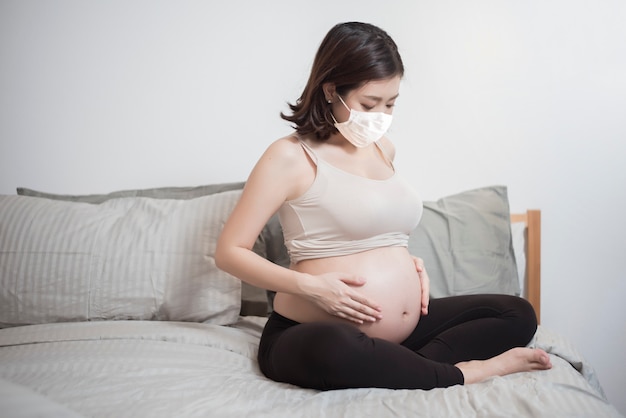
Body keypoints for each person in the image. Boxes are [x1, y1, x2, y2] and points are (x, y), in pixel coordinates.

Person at [215, 21, 552, 391]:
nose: (381, 116)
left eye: (390, 103)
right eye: (369, 104)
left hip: (401, 331)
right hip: (310, 331)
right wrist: (312, 287)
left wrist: (407, 262)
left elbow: (377, 227)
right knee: (339, 348)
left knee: (516, 313)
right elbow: (230, 252)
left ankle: (404, 365)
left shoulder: (383, 149)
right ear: (331, 90)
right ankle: (467, 372)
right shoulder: (290, 156)